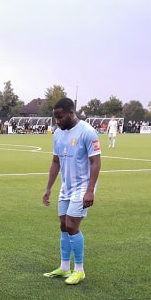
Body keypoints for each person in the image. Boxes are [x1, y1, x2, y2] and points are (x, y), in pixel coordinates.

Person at [42, 97, 101, 285]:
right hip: (66, 187)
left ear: (71, 113)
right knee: (63, 225)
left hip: (83, 186)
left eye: (60, 117)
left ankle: (80, 270)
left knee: (72, 225)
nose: (57, 121)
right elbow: (55, 162)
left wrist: (90, 190)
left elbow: (96, 162)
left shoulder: (87, 132)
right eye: (55, 118)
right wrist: (48, 188)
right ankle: (64, 267)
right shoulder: (58, 134)